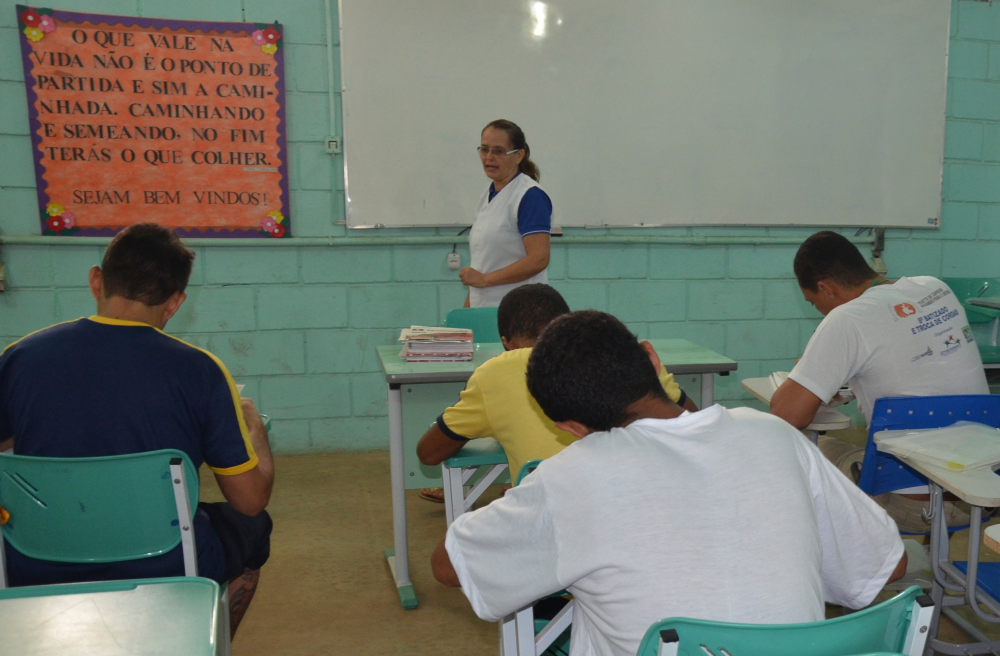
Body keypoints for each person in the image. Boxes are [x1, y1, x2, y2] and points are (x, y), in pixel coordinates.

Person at [431, 310, 906, 656]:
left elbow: (448, 567)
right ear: (651, 359)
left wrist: (518, 507)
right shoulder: (775, 434)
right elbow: (891, 566)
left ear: (570, 427)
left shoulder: (569, 478)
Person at [0, 223, 274, 637]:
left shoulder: (20, 356)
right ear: (176, 302)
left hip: (32, 557)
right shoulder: (200, 370)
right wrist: (256, 431)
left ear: (96, 280)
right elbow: (250, 500)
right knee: (255, 527)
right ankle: (202, 642)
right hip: (163, 560)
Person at [770, 230, 988, 531]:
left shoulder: (847, 318)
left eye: (812, 302)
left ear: (826, 287)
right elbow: (912, 368)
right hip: (980, 496)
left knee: (795, 450)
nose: (818, 310)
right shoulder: (935, 288)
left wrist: (812, 370)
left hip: (912, 506)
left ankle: (842, 566)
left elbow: (787, 414)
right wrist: (834, 377)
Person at [417, 284, 697, 501]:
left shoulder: (493, 373)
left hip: (551, 504)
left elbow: (428, 453)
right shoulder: (626, 353)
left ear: (506, 342)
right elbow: (697, 421)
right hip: (651, 491)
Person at [461, 119, 552, 308]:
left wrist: (485, 280)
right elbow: (483, 264)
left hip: (520, 311)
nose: (489, 158)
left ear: (519, 155)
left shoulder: (529, 196)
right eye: (484, 149)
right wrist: (467, 315)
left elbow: (539, 259)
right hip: (487, 309)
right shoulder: (488, 195)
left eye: (498, 151)